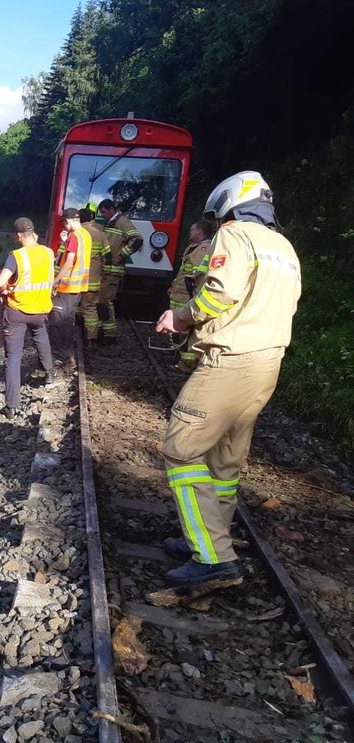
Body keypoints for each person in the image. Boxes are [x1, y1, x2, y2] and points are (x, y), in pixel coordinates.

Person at [155, 171, 301, 585]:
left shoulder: (236, 235)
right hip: (267, 361)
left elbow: (219, 292)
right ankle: (205, 533)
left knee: (181, 449)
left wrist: (180, 318)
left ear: (231, 204)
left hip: (230, 359)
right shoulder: (284, 246)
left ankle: (213, 558)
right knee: (225, 459)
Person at [0, 218, 57, 420]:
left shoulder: (17, 256)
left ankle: (12, 406)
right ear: (34, 233)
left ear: (18, 236)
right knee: (41, 335)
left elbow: (0, 282)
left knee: (13, 357)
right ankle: (49, 373)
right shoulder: (48, 253)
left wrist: (6, 290)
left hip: (17, 312)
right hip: (41, 309)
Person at [166, 219, 214, 372]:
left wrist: (191, 294)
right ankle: (177, 356)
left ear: (199, 232)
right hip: (179, 294)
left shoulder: (203, 249)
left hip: (186, 296)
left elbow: (197, 276)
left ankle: (186, 364)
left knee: (185, 330)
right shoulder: (194, 248)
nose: (190, 232)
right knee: (176, 329)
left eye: (192, 230)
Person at [49, 208, 92, 369]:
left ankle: (62, 357)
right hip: (78, 287)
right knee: (68, 321)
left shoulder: (74, 236)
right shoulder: (85, 235)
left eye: (64, 223)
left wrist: (55, 281)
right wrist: (63, 242)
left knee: (59, 323)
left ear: (68, 221)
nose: (64, 227)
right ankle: (69, 357)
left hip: (67, 287)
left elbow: (69, 262)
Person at [97, 199, 143, 342]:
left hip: (113, 270)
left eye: (104, 212)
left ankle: (110, 334)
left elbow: (138, 239)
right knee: (101, 300)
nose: (102, 215)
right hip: (106, 269)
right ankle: (102, 330)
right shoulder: (110, 222)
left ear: (111, 209)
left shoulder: (122, 222)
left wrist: (121, 255)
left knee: (106, 301)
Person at [79, 205, 110, 348]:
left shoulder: (75, 234)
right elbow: (108, 258)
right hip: (92, 281)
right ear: (92, 218)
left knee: (71, 307)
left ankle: (72, 335)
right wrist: (105, 276)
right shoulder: (100, 234)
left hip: (74, 282)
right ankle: (92, 338)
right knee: (90, 308)